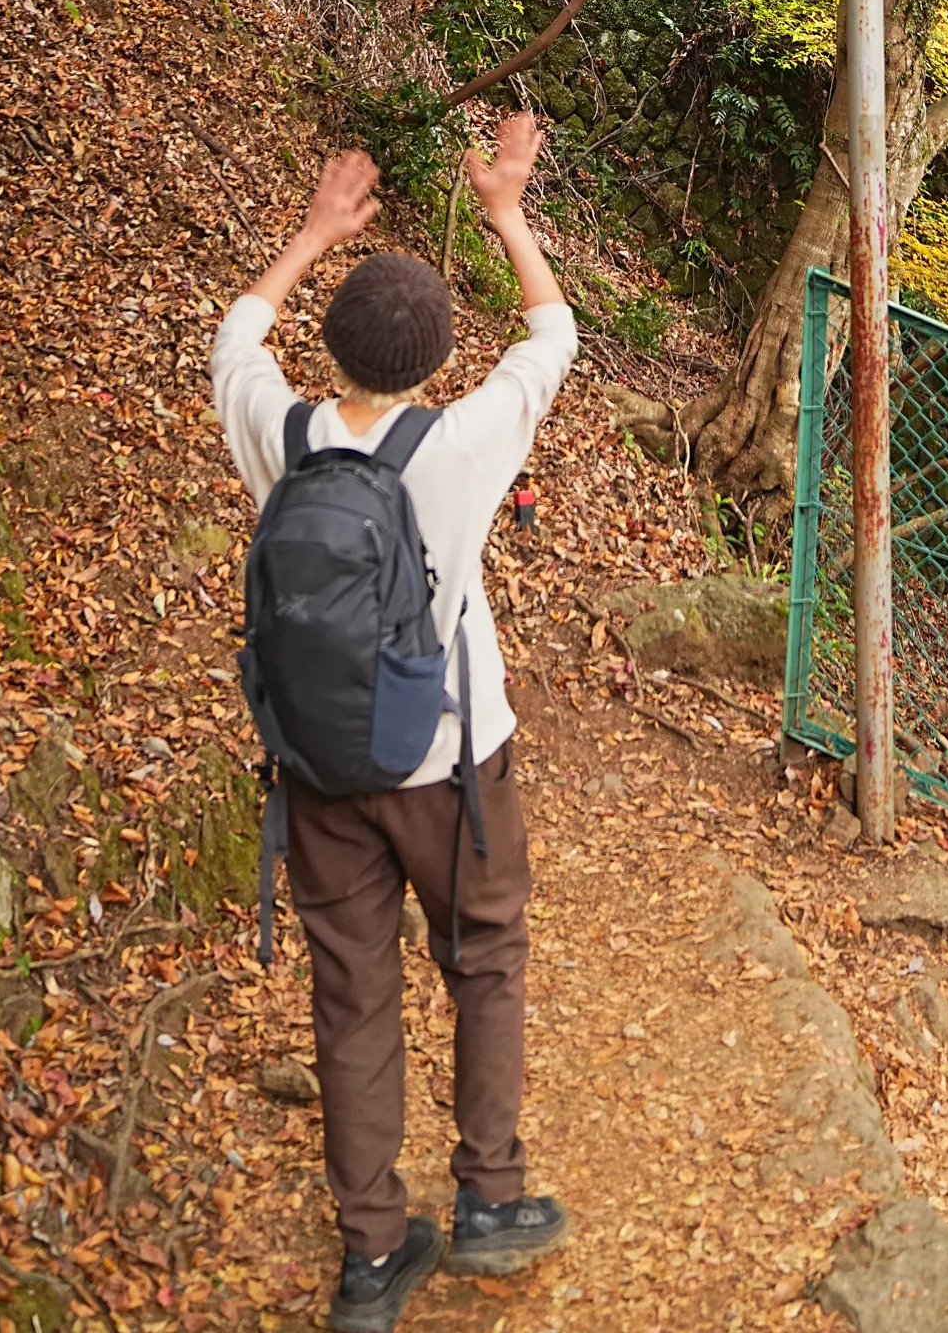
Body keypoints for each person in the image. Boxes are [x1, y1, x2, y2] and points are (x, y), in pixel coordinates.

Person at [212, 115, 574, 1332]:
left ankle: (372, 1252)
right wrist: (505, 211)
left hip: (314, 766)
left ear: (336, 345)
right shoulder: (464, 441)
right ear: (435, 358)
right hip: (451, 758)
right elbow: (553, 335)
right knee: (483, 959)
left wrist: (314, 232)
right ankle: (488, 1202)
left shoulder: (282, 432)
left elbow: (236, 335)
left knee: (351, 991)